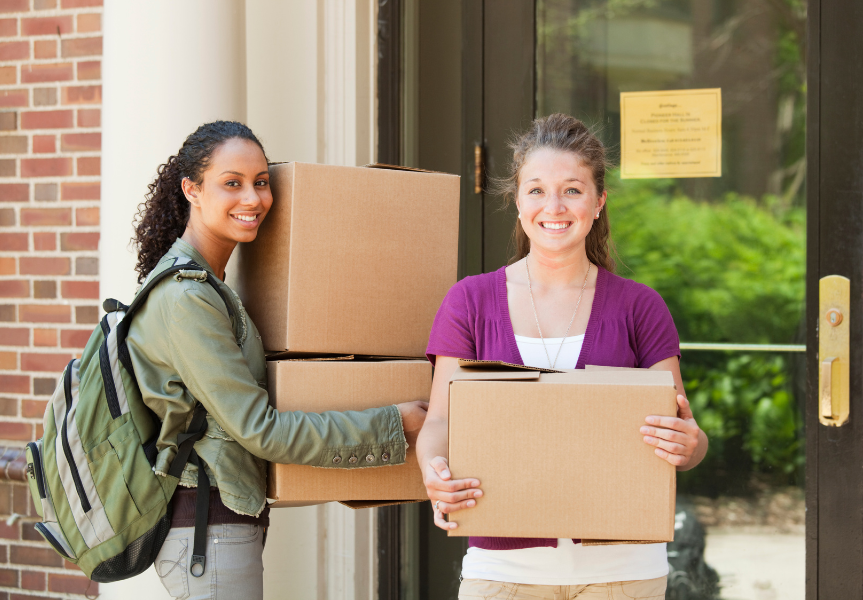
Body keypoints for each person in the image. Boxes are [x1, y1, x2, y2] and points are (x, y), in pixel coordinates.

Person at [127, 120, 428, 600]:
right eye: (232, 183)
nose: (254, 199)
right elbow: (260, 431)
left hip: (218, 527)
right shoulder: (187, 300)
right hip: (208, 532)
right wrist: (393, 423)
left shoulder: (211, 286)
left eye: (261, 182)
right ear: (192, 190)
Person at [417, 113, 708, 599]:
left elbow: (687, 438)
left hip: (624, 573)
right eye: (536, 190)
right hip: (504, 572)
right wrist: (435, 473)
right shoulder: (469, 302)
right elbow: (441, 422)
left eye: (572, 190)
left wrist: (689, 445)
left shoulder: (640, 307)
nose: (553, 206)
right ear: (517, 201)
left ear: (599, 202)